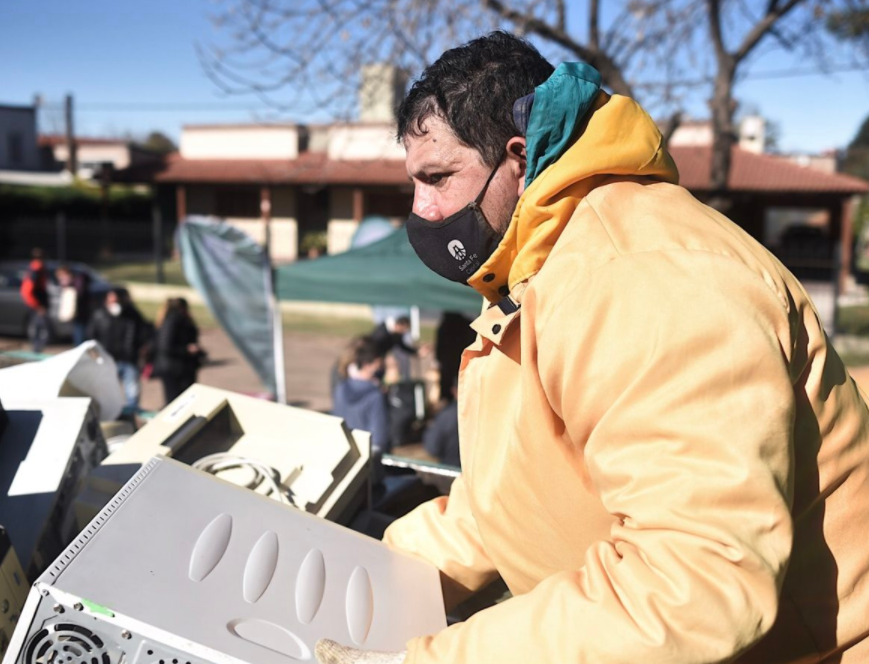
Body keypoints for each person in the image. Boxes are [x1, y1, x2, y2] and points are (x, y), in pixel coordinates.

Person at [314, 32, 869, 664]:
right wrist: (354, 577)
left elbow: (691, 585)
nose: (422, 208)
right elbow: (508, 501)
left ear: (518, 158)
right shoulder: (541, 268)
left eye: (439, 177)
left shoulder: (642, 276)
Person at [88, 289, 151, 413]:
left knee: (132, 391)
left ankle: (132, 415)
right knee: (107, 392)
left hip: (128, 360)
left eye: (116, 299)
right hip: (107, 361)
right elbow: (91, 336)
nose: (114, 302)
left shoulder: (132, 315)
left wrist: (140, 349)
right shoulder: (99, 315)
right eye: (111, 299)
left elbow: (144, 333)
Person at [331, 337, 390, 454]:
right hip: (366, 454)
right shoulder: (375, 396)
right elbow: (379, 438)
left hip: (343, 450)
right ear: (369, 364)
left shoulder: (341, 387)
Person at [154, 298, 204, 405]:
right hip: (175, 368)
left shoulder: (170, 319)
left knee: (179, 400)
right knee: (178, 402)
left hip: (177, 367)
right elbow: (166, 346)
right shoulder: (175, 320)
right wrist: (187, 349)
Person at [19, 248, 50, 352]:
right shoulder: (36, 269)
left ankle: (37, 348)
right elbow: (29, 290)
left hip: (36, 303)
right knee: (40, 327)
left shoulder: (34, 268)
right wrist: (38, 306)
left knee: (38, 326)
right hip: (37, 304)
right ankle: (37, 348)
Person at [421, 385, 460, 468]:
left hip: (452, 470)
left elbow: (432, 447)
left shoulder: (446, 416)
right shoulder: (486, 414)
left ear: (454, 391)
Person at [55, 264, 92, 346]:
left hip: (80, 311)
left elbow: (79, 295)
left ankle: (80, 349)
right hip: (78, 312)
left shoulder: (75, 282)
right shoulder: (73, 282)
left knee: (80, 332)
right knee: (79, 331)